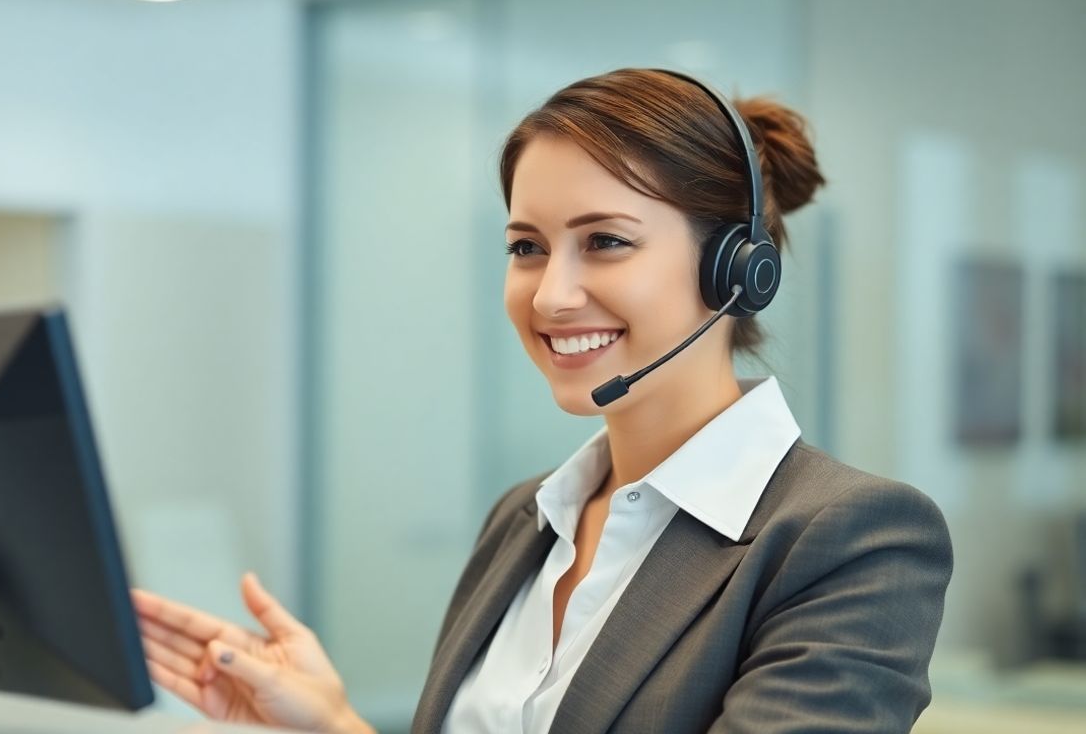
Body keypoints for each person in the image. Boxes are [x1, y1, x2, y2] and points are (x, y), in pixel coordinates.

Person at [131, 68, 954, 734]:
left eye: (605, 241)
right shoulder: (525, 520)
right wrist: (334, 725)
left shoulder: (849, 539)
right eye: (526, 247)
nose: (552, 296)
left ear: (737, 270)